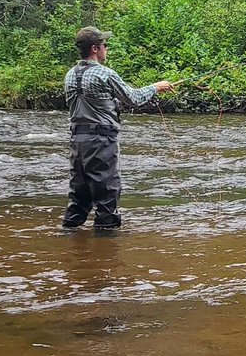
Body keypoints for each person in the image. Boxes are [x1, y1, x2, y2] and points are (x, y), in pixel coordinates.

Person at [63, 26, 177, 230]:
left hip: (77, 142)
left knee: (79, 195)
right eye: (104, 44)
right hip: (101, 142)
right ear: (95, 49)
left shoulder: (70, 75)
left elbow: (95, 102)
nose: (107, 48)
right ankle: (106, 250)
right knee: (107, 194)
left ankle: (71, 242)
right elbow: (134, 98)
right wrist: (156, 87)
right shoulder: (105, 74)